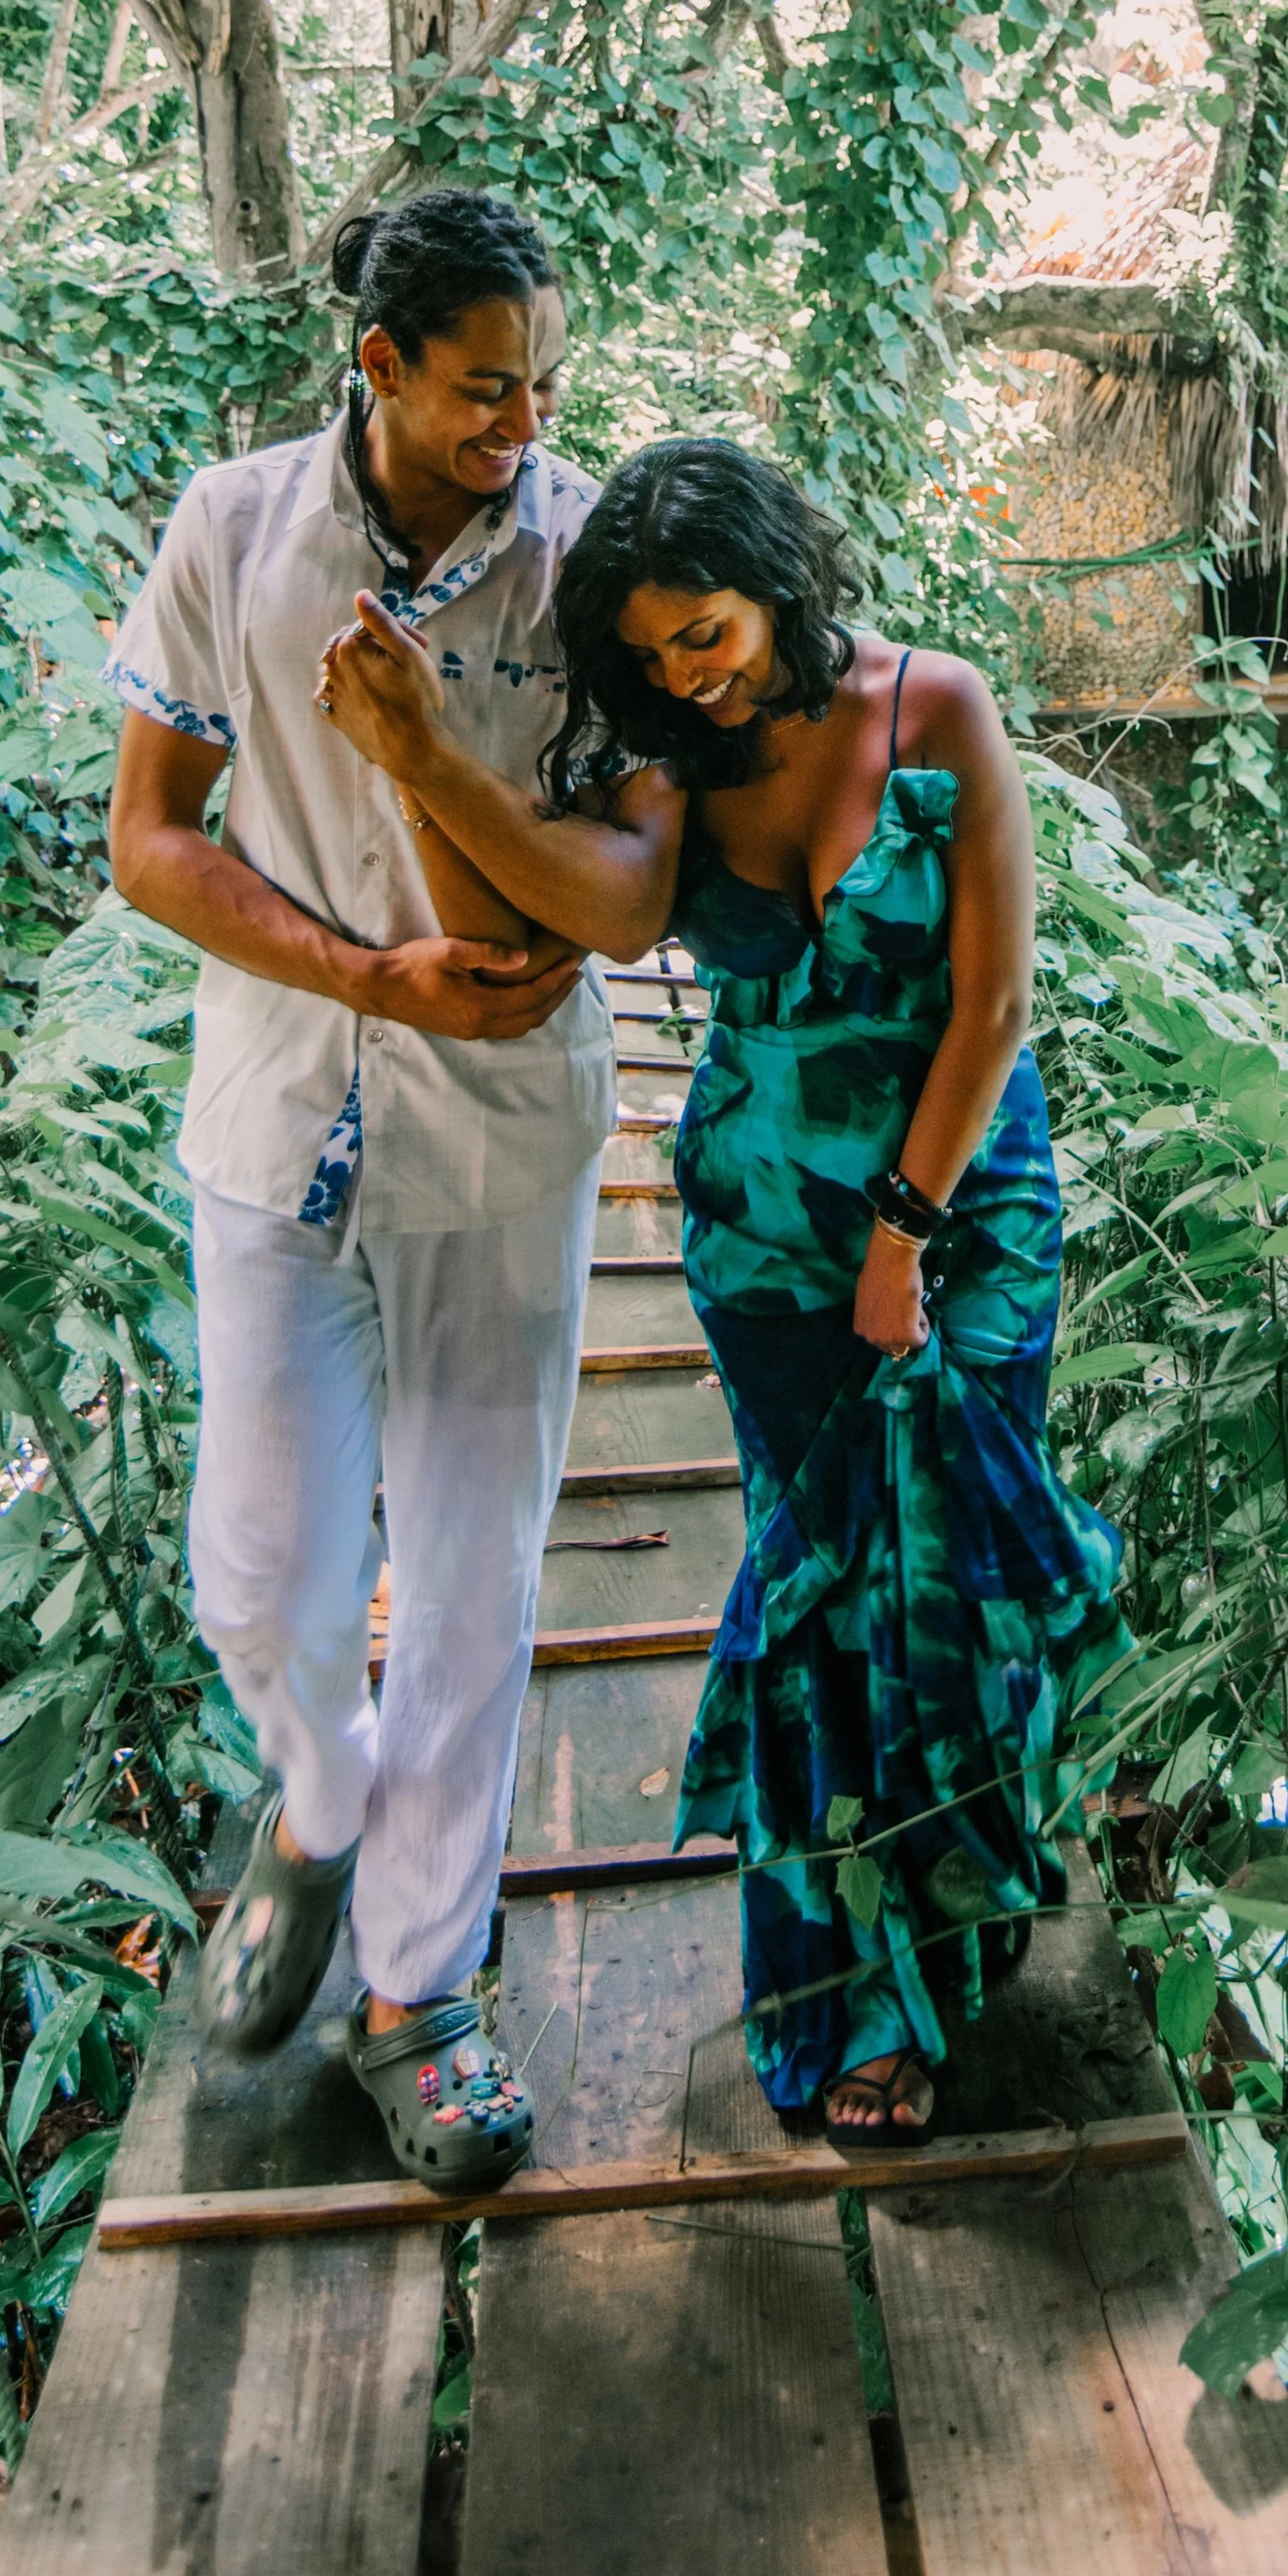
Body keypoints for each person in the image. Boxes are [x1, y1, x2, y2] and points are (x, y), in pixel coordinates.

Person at [315, 435, 1128, 2149]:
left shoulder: (942, 712)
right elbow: (595, 918)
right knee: (824, 1607)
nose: (699, 670)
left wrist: (906, 1233)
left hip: (965, 1214)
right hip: (764, 1244)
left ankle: (953, 1945)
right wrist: (422, 759)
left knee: (957, 1583)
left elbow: (993, 1009)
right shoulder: (674, 763)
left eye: (718, 629)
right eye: (662, 651)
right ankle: (848, 1992)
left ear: (779, 579)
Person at [104, 188, 612, 2197]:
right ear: (379, 365)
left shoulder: (586, 555)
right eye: (487, 386)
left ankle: (419, 1988)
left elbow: (617, 875)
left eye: (544, 385)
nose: (525, 420)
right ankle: (312, 1805)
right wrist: (360, 973)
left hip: (502, 1131)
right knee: (265, 1573)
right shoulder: (232, 529)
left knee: (473, 1575)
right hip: (278, 1108)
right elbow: (150, 841)